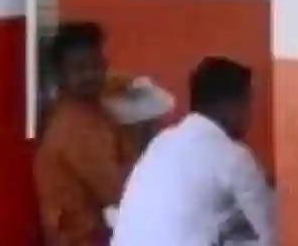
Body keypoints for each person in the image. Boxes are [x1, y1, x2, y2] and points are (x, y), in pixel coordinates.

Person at [113, 57, 277, 246]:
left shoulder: (162, 141)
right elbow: (273, 234)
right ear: (232, 106)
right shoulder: (233, 156)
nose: (250, 115)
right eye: (247, 104)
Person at [35, 23, 137, 246]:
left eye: (96, 66)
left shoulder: (91, 108)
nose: (91, 75)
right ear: (60, 75)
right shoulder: (73, 126)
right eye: (80, 69)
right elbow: (121, 191)